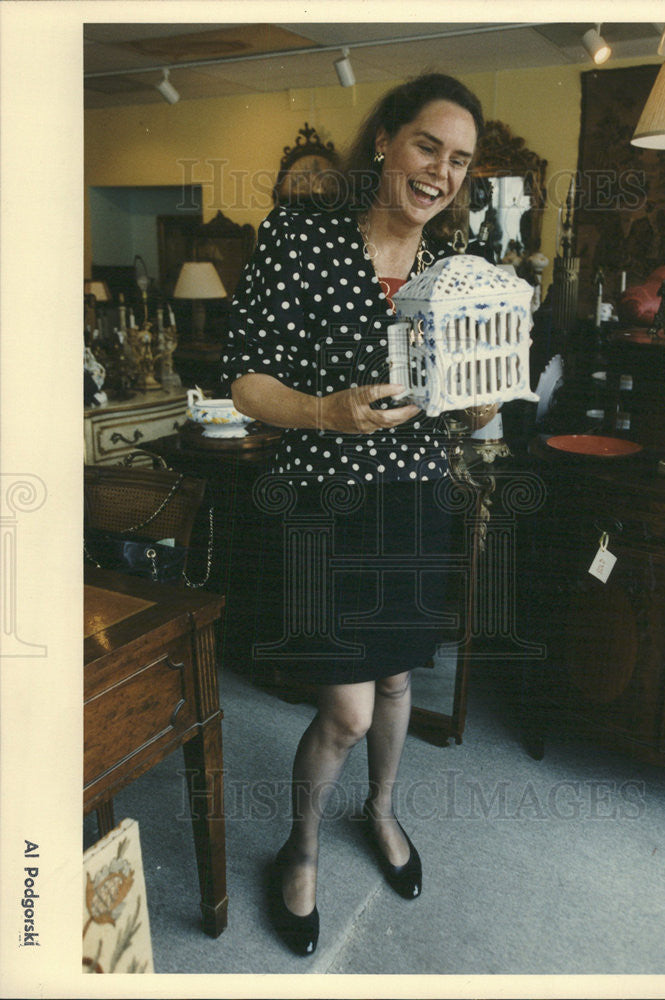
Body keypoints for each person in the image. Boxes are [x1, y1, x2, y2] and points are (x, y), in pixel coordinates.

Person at [221, 73, 498, 956]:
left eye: (458, 161)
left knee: (394, 682)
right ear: (384, 139)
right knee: (342, 707)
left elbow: (458, 395)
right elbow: (246, 378)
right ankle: (299, 847)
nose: (440, 173)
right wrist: (323, 411)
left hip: (415, 497)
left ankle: (379, 811)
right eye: (427, 147)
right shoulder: (300, 239)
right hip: (320, 502)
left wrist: (482, 401)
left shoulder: (454, 272)